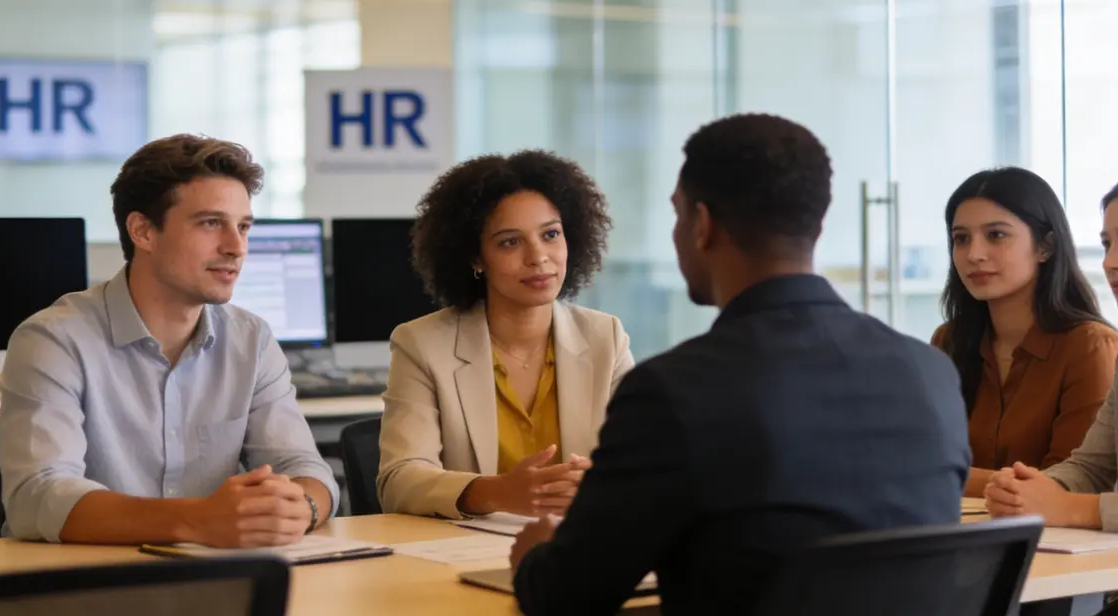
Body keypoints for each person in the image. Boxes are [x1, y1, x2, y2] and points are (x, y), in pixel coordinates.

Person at [508, 114, 970, 615]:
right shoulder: (930, 373)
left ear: (702, 225)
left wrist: (533, 553)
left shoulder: (675, 392)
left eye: (678, 215)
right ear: (817, 221)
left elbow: (567, 596)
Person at [0, 134, 339, 546]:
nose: (237, 247)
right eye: (211, 223)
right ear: (143, 231)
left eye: (244, 226)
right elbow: (38, 497)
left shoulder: (252, 340)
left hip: (218, 583)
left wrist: (301, 507)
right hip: (84, 587)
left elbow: (304, 467)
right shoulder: (54, 339)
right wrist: (199, 521)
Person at [376, 149, 634, 519]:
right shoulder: (422, 344)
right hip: (464, 556)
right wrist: (497, 492)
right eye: (510, 242)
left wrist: (603, 484)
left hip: (577, 545)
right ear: (476, 258)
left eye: (550, 234)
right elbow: (398, 481)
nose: (538, 256)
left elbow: (646, 462)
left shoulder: (604, 337)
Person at [931, 168, 1117, 498]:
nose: (975, 254)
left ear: (1045, 247)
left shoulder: (1089, 345)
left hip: (1055, 538)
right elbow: (922, 459)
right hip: (960, 531)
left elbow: (1073, 482)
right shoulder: (949, 341)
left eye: (996, 235)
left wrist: (953, 476)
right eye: (961, 238)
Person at [986, 183, 1118, 531]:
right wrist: (1025, 489)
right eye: (1107, 244)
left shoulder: (1091, 342)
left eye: (996, 235)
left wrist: (1076, 509)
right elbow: (1092, 467)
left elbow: (1078, 502)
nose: (1110, 263)